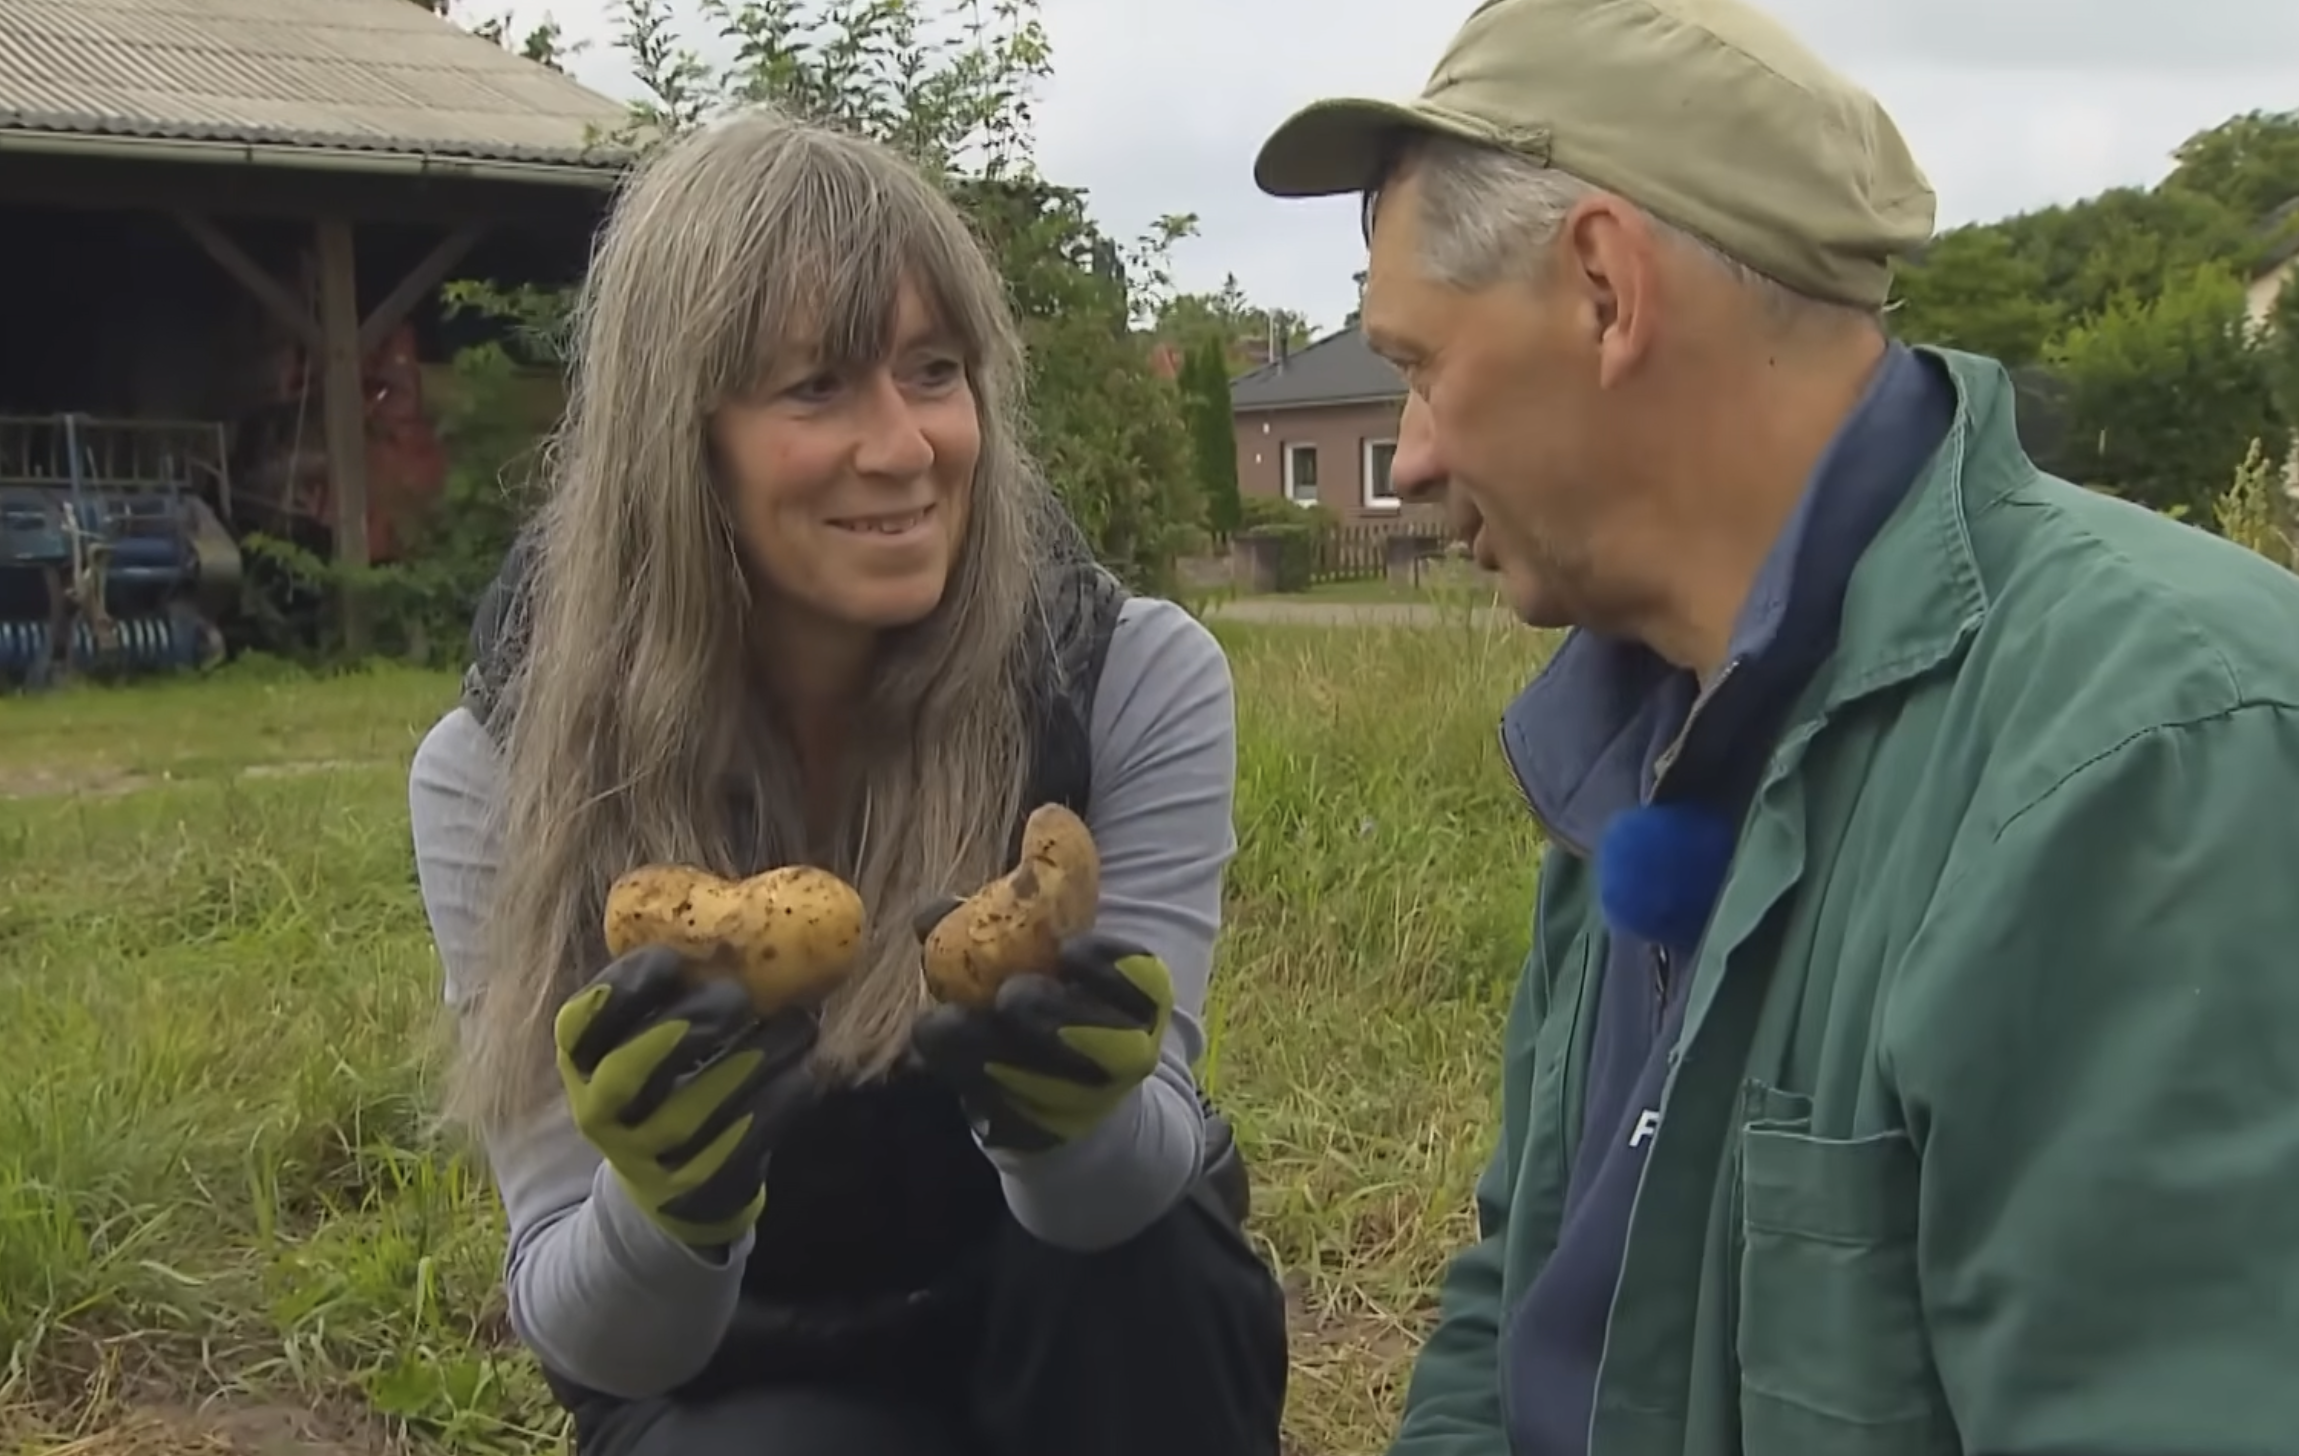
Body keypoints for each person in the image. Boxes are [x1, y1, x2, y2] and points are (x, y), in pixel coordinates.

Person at [1252, 1, 2299, 1453]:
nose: (1413, 457)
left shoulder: (2147, 754)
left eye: (1419, 367)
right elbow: (1516, 1301)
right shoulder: (1633, 727)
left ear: (1605, 291)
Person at [407, 108, 1288, 1456]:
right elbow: (590, 1335)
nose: (903, 445)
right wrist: (667, 1203)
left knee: (1148, 1273)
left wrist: (1070, 1118)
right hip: (743, 1370)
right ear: (677, 437)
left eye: (933, 370)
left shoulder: (1126, 681)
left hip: (1073, 1309)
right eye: (815, 387)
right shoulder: (502, 769)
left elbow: (1125, 1203)